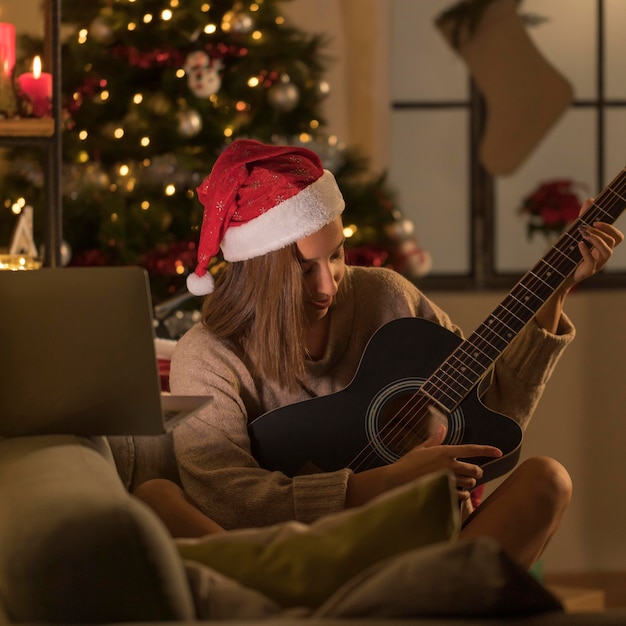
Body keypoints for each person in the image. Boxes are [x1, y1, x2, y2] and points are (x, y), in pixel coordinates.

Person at [134, 138, 623, 570]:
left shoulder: (387, 297)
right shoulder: (209, 355)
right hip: (299, 559)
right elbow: (228, 497)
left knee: (548, 480)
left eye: (336, 255)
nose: (327, 284)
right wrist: (382, 483)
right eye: (303, 271)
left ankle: (422, 599)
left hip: (423, 547)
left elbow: (493, 418)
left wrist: (554, 295)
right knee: (157, 497)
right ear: (259, 274)